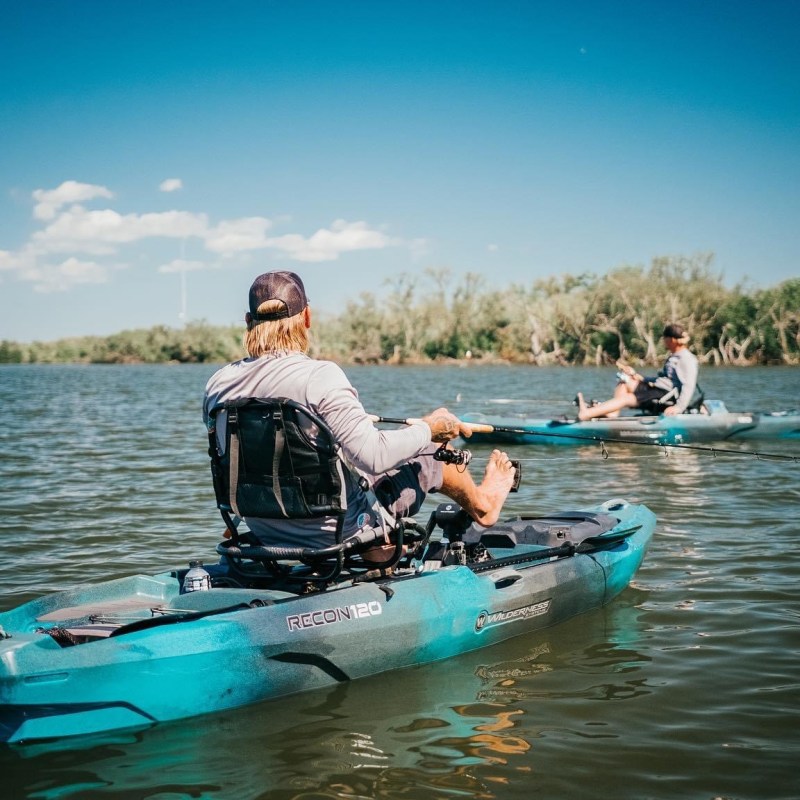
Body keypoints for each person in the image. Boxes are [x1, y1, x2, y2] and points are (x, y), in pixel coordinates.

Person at [203, 270, 516, 557]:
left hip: (263, 531)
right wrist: (429, 428)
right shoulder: (320, 377)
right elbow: (374, 457)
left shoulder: (218, 385)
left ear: (248, 321)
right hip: (339, 532)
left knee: (354, 463)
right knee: (431, 452)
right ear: (307, 317)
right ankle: (484, 507)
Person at [575, 323, 699, 421]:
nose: (664, 342)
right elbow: (664, 379)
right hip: (658, 389)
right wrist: (637, 376)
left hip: (665, 395)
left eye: (665, 339)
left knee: (626, 398)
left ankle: (586, 413)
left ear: (671, 340)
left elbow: (689, 385)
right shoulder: (675, 355)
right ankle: (612, 414)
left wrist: (679, 407)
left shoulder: (686, 358)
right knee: (625, 381)